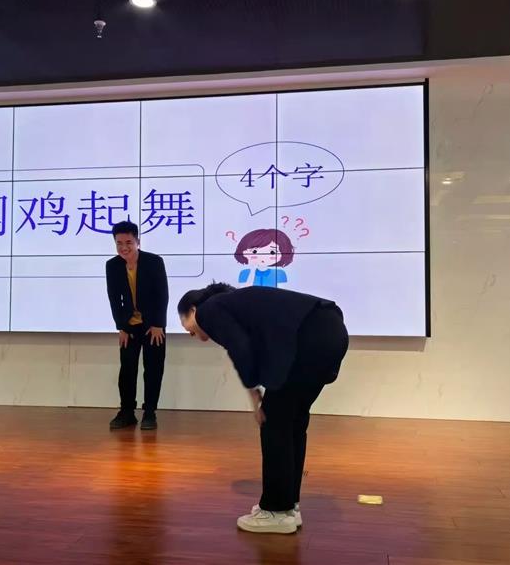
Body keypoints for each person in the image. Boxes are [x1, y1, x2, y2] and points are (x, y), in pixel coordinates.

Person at [178, 283, 349, 534]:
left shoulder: (208, 310)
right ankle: (289, 506)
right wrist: (256, 390)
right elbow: (251, 347)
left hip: (308, 337)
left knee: (274, 423)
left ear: (193, 310)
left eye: (186, 325)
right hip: (331, 330)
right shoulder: (238, 306)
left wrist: (253, 393)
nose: (191, 334)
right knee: (292, 421)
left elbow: (239, 348)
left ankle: (276, 511)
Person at [106, 221, 169, 431]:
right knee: (127, 370)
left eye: (128, 242)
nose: (124, 247)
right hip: (129, 327)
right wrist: (121, 327)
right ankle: (127, 412)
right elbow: (114, 299)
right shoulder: (112, 265)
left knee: (153, 370)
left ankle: (149, 412)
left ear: (137, 242)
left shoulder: (154, 262)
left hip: (153, 326)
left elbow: (162, 295)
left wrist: (159, 324)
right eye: (119, 243)